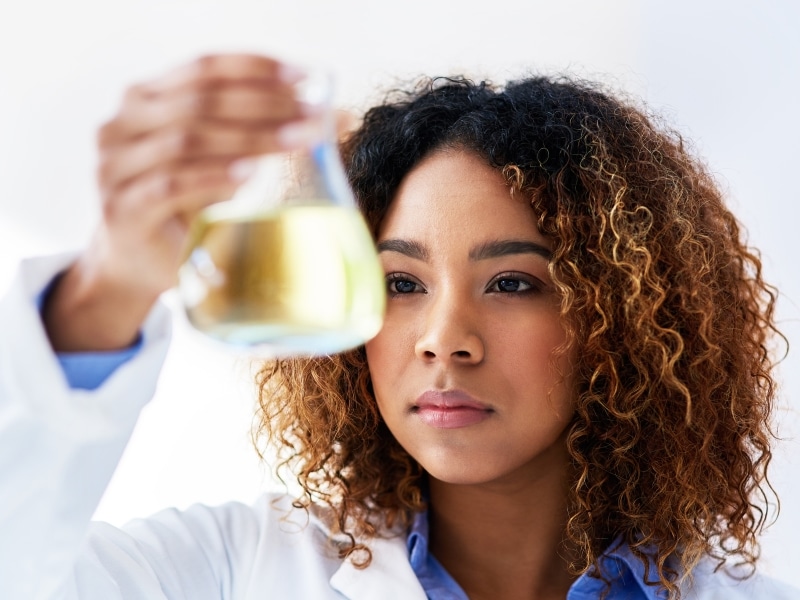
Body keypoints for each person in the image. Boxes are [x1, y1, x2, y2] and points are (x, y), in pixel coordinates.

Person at [0, 54, 796, 600]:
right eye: (402, 283)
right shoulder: (228, 571)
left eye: (514, 283)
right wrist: (104, 293)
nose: (445, 338)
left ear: (622, 318)